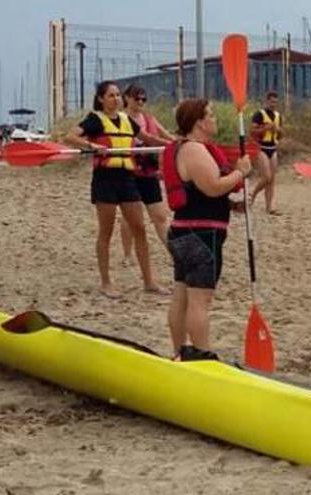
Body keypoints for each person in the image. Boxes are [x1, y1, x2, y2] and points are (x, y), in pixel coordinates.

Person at [164, 99, 252, 360]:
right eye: (211, 115)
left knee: (182, 295)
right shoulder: (194, 150)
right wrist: (241, 173)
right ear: (199, 122)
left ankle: (180, 352)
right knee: (199, 300)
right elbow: (212, 186)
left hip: (185, 231)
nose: (214, 119)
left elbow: (201, 192)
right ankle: (201, 355)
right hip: (201, 236)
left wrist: (231, 205)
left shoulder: (186, 149)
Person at [64, 80, 168, 299]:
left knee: (139, 228)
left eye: (118, 95)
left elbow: (147, 138)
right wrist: (93, 146)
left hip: (127, 178)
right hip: (105, 180)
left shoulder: (126, 120)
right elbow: (70, 137)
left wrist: (173, 144)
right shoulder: (95, 120)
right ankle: (106, 283)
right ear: (101, 99)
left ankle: (149, 281)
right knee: (106, 231)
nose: (116, 99)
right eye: (111, 95)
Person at [119, 84, 174, 266]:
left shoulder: (149, 118)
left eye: (144, 98)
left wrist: (180, 143)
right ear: (127, 98)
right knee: (130, 217)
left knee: (160, 216)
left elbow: (166, 136)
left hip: (149, 172)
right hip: (128, 172)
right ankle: (128, 255)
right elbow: (147, 138)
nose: (141, 102)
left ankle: (174, 254)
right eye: (137, 98)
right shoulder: (120, 119)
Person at [249, 91, 282, 215]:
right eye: (272, 102)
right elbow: (252, 131)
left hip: (272, 147)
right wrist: (266, 128)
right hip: (261, 147)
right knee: (266, 177)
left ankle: (269, 207)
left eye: (275, 102)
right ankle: (252, 194)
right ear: (267, 101)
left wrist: (278, 131)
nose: (273, 104)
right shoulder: (259, 114)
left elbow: (281, 134)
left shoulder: (278, 116)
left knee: (272, 179)